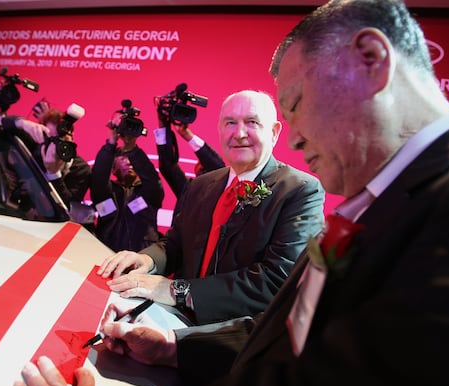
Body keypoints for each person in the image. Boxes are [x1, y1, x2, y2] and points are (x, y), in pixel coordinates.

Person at [12, 0, 449, 386]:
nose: (295, 140)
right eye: (230, 124)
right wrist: (176, 346)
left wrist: (173, 296)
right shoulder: (388, 197)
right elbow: (289, 333)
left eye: (294, 104)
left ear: (371, 60)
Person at [99, 89, 325, 325]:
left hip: (235, 335)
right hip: (171, 319)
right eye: (230, 123)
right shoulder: (201, 185)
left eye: (252, 122)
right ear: (219, 129)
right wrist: (146, 260)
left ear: (274, 132)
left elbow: (277, 279)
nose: (239, 134)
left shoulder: (300, 190)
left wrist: (180, 290)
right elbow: (175, 244)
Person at [90, 111, 165, 252]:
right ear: (112, 168)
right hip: (106, 255)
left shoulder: (148, 192)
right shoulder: (108, 192)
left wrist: (132, 148)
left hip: (142, 257)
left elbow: (151, 178)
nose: (129, 161)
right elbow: (99, 178)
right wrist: (112, 142)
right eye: (124, 157)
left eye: (131, 158)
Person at [2, 109, 92, 210]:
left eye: (61, 140)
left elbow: (69, 207)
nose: (55, 145)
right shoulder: (35, 147)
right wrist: (23, 124)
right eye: (50, 139)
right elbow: (4, 124)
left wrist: (54, 174)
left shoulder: (81, 168)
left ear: (72, 136)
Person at [154, 112, 225, 200]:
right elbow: (167, 164)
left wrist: (186, 134)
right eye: (202, 169)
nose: (204, 172)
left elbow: (218, 168)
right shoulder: (187, 190)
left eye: (206, 168)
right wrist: (163, 124)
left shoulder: (220, 190)